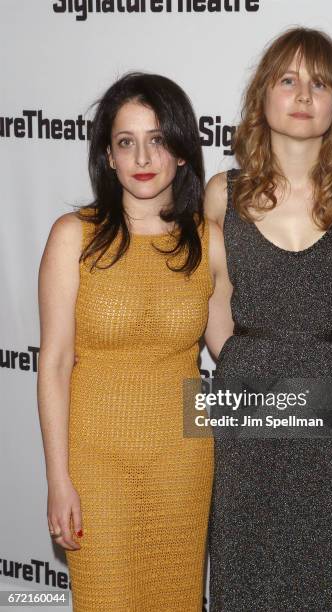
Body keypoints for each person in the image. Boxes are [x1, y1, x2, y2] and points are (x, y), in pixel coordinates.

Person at [204, 27, 332, 611]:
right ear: (262, 95)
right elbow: (212, 309)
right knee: (245, 579)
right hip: (248, 420)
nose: (302, 94)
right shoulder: (224, 193)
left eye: (319, 83)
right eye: (287, 80)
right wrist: (250, 362)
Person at [37, 72, 233, 612]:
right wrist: (58, 479)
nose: (143, 156)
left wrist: (327, 324)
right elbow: (52, 365)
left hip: (183, 462)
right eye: (127, 141)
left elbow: (236, 348)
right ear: (109, 156)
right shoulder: (72, 236)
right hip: (95, 462)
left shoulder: (208, 242)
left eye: (158, 139)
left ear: (182, 153)